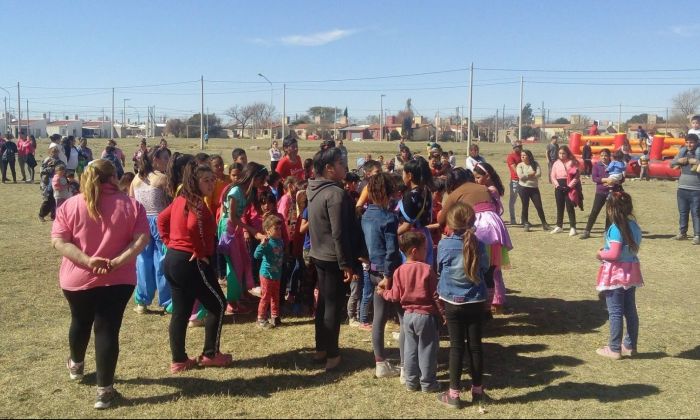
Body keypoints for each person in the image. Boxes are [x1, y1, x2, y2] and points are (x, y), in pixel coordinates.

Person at [51, 159, 150, 409]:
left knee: (80, 321)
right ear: (114, 177)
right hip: (119, 279)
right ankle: (104, 392)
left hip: (77, 279)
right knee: (107, 330)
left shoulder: (70, 205)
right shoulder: (131, 206)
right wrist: (117, 262)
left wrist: (86, 260)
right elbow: (140, 241)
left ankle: (76, 365)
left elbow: (59, 242)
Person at [157, 161, 233, 374]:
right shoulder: (196, 203)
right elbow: (190, 226)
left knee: (181, 310)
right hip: (190, 261)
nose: (211, 184)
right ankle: (211, 354)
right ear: (195, 182)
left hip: (173, 259)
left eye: (213, 180)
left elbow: (162, 220)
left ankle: (179, 360)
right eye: (206, 180)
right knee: (218, 304)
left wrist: (169, 243)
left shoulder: (181, 199)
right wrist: (199, 251)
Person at [308, 146, 362, 372]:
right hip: (332, 257)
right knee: (332, 306)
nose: (345, 167)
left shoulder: (314, 188)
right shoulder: (336, 194)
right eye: (341, 164)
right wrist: (345, 264)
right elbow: (339, 233)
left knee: (323, 305)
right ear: (329, 169)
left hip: (319, 253)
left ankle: (321, 349)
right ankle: (332, 354)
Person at [436, 202, 489, 410]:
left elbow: (440, 268)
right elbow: (484, 269)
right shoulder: (479, 244)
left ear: (450, 223)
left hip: (452, 301)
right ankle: (477, 391)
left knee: (456, 347)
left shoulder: (444, 245)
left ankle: (454, 394)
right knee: (475, 347)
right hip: (475, 300)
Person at [379, 231, 442, 393]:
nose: (427, 252)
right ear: (415, 251)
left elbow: (394, 295)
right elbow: (436, 296)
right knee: (427, 349)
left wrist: (382, 293)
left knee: (410, 350)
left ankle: (411, 382)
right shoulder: (427, 269)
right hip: (426, 316)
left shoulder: (399, 271)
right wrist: (443, 314)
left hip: (407, 316)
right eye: (424, 249)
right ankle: (428, 383)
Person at [360, 173, 403, 379]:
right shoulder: (389, 218)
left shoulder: (366, 215)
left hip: (372, 270)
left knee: (378, 317)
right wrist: (389, 275)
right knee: (403, 317)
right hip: (389, 274)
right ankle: (407, 363)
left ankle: (380, 362)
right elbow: (392, 250)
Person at [595, 192, 643, 359]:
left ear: (611, 209)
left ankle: (614, 348)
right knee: (630, 310)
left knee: (615, 311)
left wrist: (601, 253)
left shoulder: (616, 229)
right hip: (631, 271)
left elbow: (614, 254)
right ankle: (630, 346)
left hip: (616, 274)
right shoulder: (634, 226)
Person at [130, 147, 172, 314]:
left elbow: (131, 202)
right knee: (162, 259)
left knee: (142, 261)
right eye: (165, 158)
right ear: (155, 159)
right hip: (160, 220)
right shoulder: (162, 178)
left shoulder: (136, 179)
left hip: (141, 221)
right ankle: (168, 301)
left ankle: (142, 301)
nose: (167, 162)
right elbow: (170, 203)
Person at [398, 157, 435, 266]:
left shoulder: (410, 196)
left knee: (411, 272)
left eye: (403, 173)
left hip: (411, 240)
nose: (402, 176)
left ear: (409, 176)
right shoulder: (427, 191)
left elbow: (407, 226)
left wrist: (391, 235)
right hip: (425, 236)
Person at [580, 149, 624, 240]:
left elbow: (622, 178)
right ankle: (587, 230)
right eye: (602, 155)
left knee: (610, 213)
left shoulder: (615, 164)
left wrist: (615, 181)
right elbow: (595, 178)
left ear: (609, 156)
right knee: (595, 211)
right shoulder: (596, 166)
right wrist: (606, 180)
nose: (604, 157)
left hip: (612, 192)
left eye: (606, 155)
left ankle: (607, 232)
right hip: (600, 192)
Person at [254, 214, 286, 329]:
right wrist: (262, 245)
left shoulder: (280, 242)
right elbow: (256, 255)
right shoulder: (267, 243)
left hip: (277, 274)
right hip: (266, 274)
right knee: (266, 296)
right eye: (275, 229)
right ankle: (261, 318)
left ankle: (275, 316)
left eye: (280, 228)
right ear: (268, 231)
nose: (279, 231)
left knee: (275, 296)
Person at [670, 134, 700, 245]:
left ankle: (698, 235)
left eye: (691, 142)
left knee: (696, 213)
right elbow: (671, 164)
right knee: (683, 212)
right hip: (682, 188)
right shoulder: (682, 152)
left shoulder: (699, 152)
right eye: (687, 142)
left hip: (697, 189)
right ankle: (683, 233)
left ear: (697, 142)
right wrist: (679, 161)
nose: (689, 144)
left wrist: (696, 162)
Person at [516, 149, 550, 232]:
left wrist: (527, 175)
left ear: (529, 156)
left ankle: (544, 224)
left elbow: (538, 174)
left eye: (524, 155)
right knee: (525, 206)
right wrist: (531, 174)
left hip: (534, 188)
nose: (522, 157)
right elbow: (521, 177)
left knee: (539, 206)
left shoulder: (535, 164)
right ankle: (526, 223)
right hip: (523, 188)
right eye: (521, 155)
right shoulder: (520, 165)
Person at [550, 146, 579, 236]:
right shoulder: (556, 163)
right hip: (559, 186)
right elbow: (552, 176)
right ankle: (559, 226)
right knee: (560, 206)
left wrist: (569, 187)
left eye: (563, 153)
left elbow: (576, 176)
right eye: (560, 153)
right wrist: (557, 185)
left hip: (569, 186)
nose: (561, 155)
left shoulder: (571, 163)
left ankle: (573, 227)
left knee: (569, 207)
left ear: (567, 153)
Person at [39, 142, 64, 221]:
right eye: (53, 152)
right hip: (48, 182)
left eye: (56, 152)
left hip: (57, 182)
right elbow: (42, 171)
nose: (55, 154)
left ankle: (53, 215)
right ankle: (41, 215)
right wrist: (49, 168)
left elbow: (63, 170)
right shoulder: (46, 161)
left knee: (55, 199)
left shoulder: (60, 162)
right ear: (50, 152)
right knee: (48, 199)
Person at [505, 143, 522, 225]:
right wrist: (523, 175)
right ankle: (512, 219)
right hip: (515, 181)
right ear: (514, 147)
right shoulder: (511, 157)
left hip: (523, 181)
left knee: (524, 200)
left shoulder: (523, 155)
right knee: (512, 201)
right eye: (518, 147)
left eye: (521, 146)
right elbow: (515, 169)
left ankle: (523, 219)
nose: (520, 148)